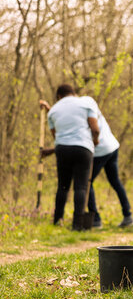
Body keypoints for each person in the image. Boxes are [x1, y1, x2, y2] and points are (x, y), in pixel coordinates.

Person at [40, 97, 133, 228]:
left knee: (85, 183)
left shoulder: (85, 105)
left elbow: (71, 130)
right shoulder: (88, 104)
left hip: (98, 149)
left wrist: (51, 111)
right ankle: (128, 215)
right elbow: (69, 119)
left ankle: (95, 219)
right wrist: (49, 109)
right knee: (115, 181)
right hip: (112, 146)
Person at [40, 84, 99, 230]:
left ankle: (57, 221)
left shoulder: (53, 110)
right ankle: (77, 225)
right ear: (73, 93)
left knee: (63, 186)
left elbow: (56, 135)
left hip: (62, 149)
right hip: (83, 148)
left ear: (59, 96)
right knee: (80, 187)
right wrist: (94, 142)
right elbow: (95, 129)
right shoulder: (84, 104)